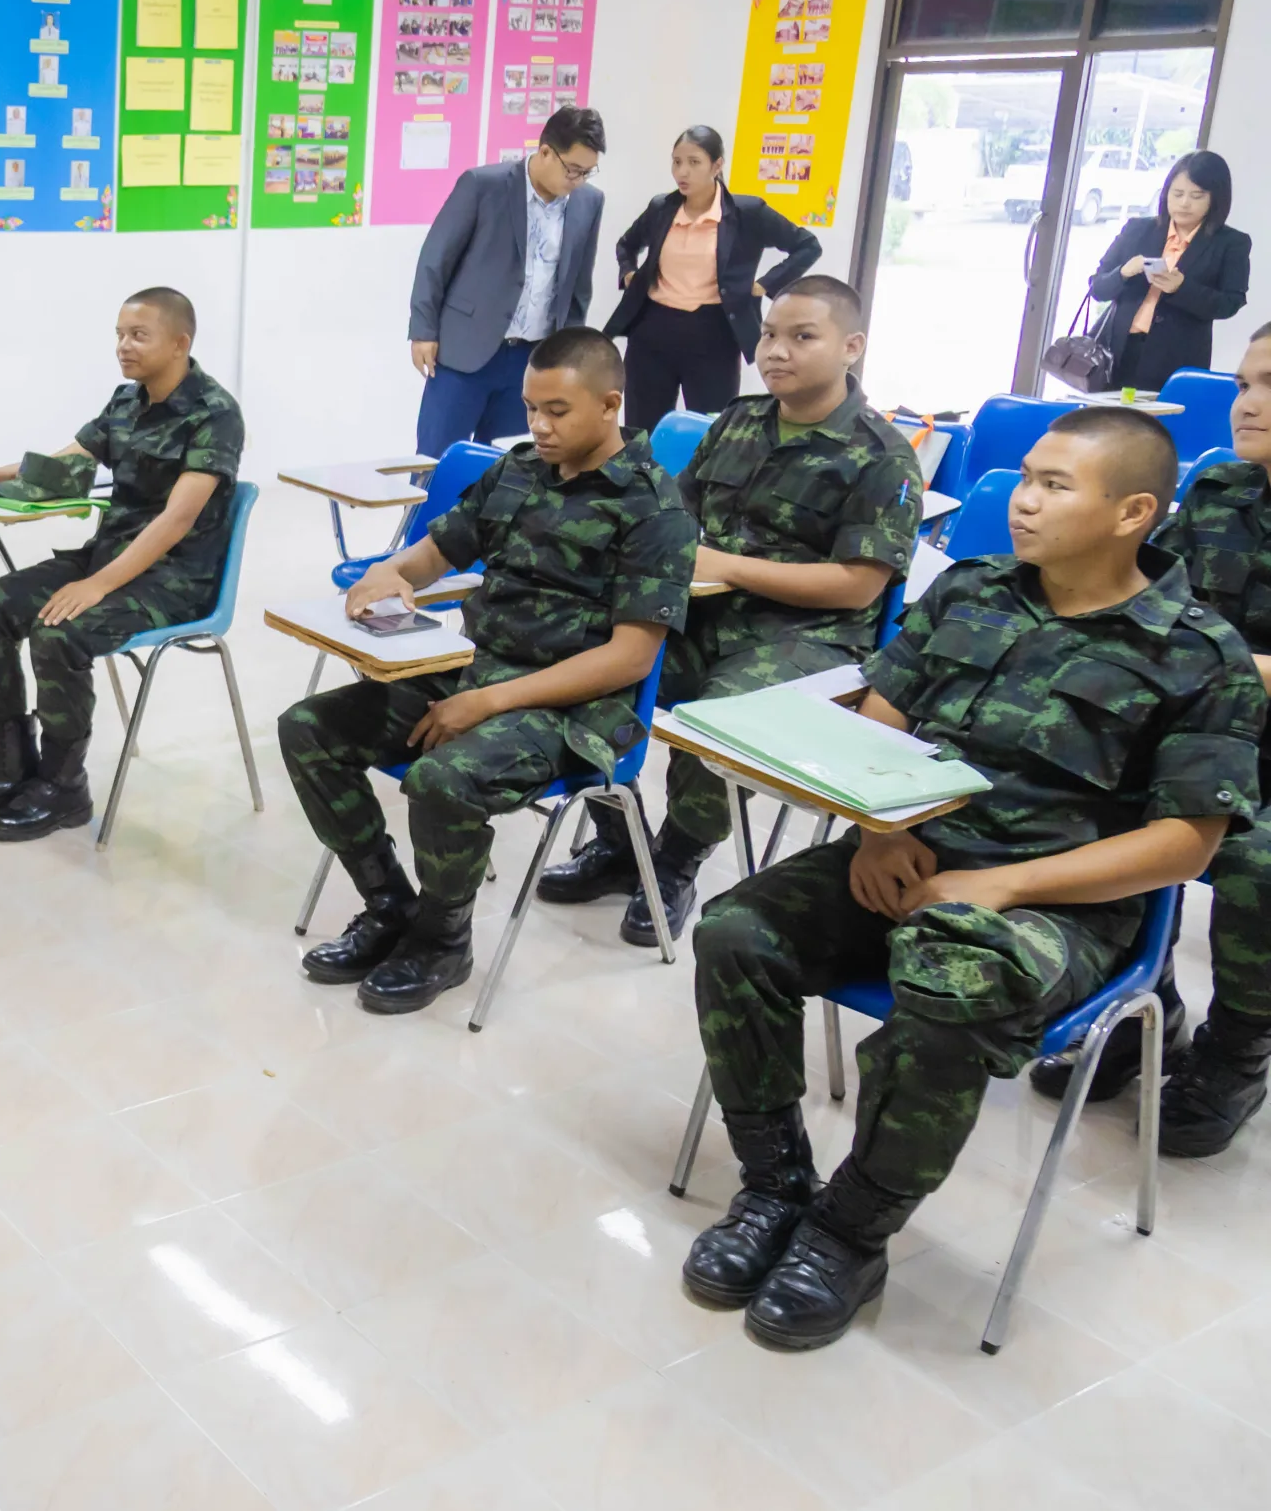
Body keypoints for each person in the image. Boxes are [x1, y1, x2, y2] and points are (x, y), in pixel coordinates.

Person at [682, 407, 1263, 1352]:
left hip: (1059, 906)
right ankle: (775, 1185)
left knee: (950, 993)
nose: (1023, 501)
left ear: (1133, 512)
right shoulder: (970, 587)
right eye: (1026, 477)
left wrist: (1005, 887)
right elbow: (879, 722)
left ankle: (849, 1231)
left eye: (1054, 485)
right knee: (734, 934)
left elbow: (1184, 846)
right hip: (910, 853)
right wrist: (878, 831)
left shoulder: (1199, 655)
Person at [280, 327, 696, 1014]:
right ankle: (390, 906)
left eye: (557, 411)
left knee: (442, 779)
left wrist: (488, 702)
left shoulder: (654, 508)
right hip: (476, 674)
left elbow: (630, 657)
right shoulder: (520, 471)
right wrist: (392, 574)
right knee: (308, 729)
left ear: (609, 405)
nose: (539, 425)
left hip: (574, 711)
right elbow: (436, 550)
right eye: (531, 408)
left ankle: (443, 941)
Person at [543, 277, 921, 944]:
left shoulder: (882, 456)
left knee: (716, 721)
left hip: (806, 637)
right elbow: (676, 512)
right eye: (770, 334)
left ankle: (675, 860)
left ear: (851, 347)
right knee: (582, 661)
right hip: (703, 613)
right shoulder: (739, 421)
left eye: (802, 336)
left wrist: (724, 567)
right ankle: (621, 841)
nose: (776, 350)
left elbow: (857, 586)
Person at [1032, 321, 1271, 1149]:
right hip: (1192, 727)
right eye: (1244, 384)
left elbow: (1184, 639)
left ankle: (1238, 1050)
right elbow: (1139, 598)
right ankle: (1141, 1007)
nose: (1248, 404)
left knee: (1255, 857)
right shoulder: (1221, 491)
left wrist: (1212, 661)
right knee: (1086, 792)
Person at [0, 288, 243, 842]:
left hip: (176, 581)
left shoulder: (214, 414)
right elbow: (66, 462)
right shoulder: (126, 401)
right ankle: (14, 773)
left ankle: (63, 787)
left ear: (179, 343)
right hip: (109, 560)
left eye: (138, 335)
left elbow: (176, 520)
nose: (123, 346)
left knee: (58, 632)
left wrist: (97, 584)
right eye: (119, 334)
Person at [406, 107, 608, 456]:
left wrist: (571, 354)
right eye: (573, 169)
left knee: (508, 464)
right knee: (437, 462)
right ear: (546, 152)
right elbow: (435, 259)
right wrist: (423, 330)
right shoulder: (483, 185)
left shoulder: (589, 202)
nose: (578, 181)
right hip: (465, 351)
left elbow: (579, 286)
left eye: (586, 172)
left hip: (533, 359)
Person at [603, 125, 822, 431]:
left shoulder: (748, 212)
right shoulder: (661, 208)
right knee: (642, 431)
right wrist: (628, 272)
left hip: (714, 336)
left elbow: (807, 246)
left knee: (711, 431)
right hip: (652, 333)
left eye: (694, 162)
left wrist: (764, 285)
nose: (682, 172)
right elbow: (627, 244)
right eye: (677, 162)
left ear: (717, 166)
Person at [1086, 150, 1251, 388]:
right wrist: (1123, 272)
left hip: (1176, 360)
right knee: (1105, 412)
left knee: (1161, 413)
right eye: (1177, 193)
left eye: (1197, 196)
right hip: (1116, 355)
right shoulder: (1138, 229)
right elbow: (1097, 287)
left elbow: (1230, 302)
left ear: (1216, 198)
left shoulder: (1231, 243)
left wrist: (1181, 288)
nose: (1184, 203)